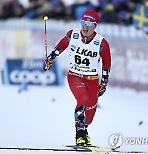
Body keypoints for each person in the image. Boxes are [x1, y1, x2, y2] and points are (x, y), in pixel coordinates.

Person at [43, 9, 111, 145]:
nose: (85, 26)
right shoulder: (72, 35)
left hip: (91, 79)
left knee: (90, 112)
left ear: (95, 26)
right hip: (74, 76)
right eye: (83, 22)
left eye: (89, 23)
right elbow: (60, 47)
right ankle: (79, 132)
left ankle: (84, 129)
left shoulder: (102, 43)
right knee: (83, 99)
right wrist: (49, 59)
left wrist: (103, 83)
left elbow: (106, 65)